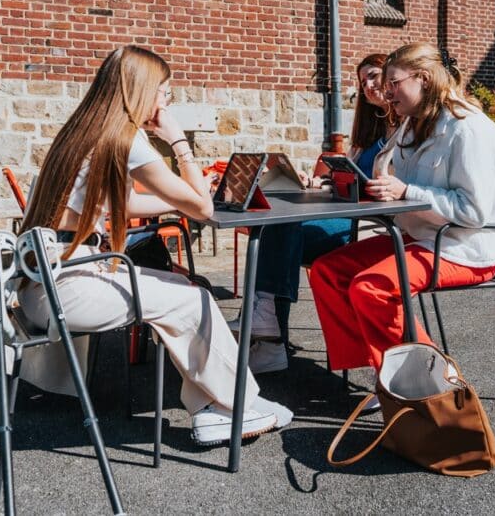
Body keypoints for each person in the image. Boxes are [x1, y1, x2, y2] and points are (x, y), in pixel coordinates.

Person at [16, 45, 291, 446]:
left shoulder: (83, 132)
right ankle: (237, 409)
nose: (166, 101)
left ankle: (213, 407)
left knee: (183, 292)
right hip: (67, 288)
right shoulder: (128, 140)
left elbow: (121, 204)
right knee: (194, 298)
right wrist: (178, 141)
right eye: (165, 92)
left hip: (41, 282)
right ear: (141, 91)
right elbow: (201, 209)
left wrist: (176, 196)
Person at [308, 42, 495, 375]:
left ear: (422, 78)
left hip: (468, 246)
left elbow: (473, 212)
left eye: (394, 83)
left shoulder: (469, 128)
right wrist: (362, 187)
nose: (387, 93)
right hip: (422, 236)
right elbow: (400, 190)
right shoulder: (411, 125)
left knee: (372, 287)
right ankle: (380, 369)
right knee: (328, 270)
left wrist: (405, 190)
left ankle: (434, 383)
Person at [233, 53, 396, 374]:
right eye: (364, 81)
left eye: (375, 76)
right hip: (350, 216)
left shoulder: (404, 132)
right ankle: (268, 335)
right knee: (276, 228)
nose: (369, 85)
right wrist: (320, 181)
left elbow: (387, 189)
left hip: (371, 227)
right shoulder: (367, 135)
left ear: (393, 76)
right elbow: (349, 181)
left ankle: (269, 337)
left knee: (283, 231)